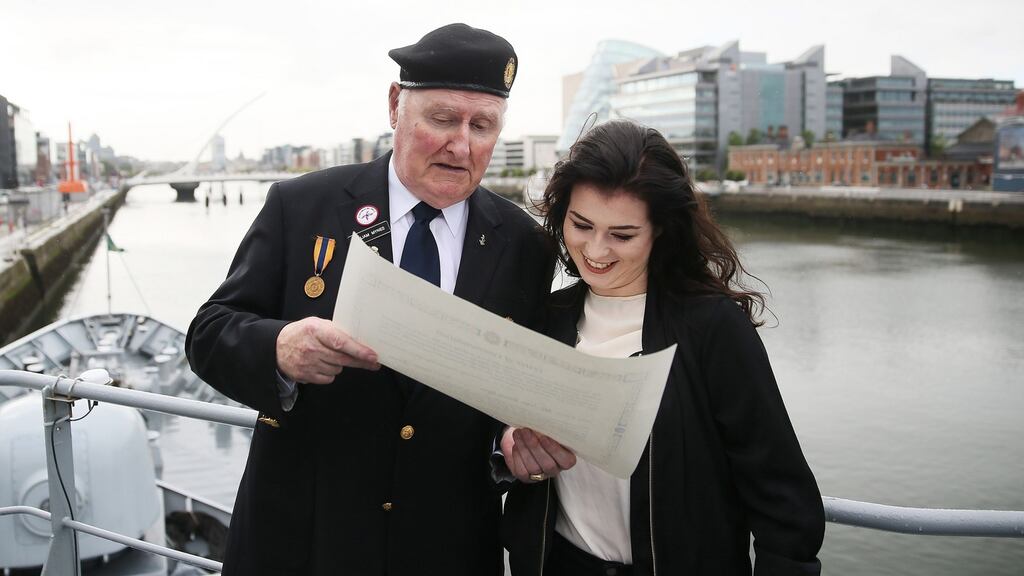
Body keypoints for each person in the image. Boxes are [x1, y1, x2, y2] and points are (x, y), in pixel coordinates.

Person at [186, 23, 554, 576]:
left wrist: (511, 443)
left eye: (483, 125)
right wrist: (280, 349)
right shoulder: (301, 205)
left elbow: (511, 396)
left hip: (444, 549)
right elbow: (209, 333)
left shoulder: (524, 243)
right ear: (394, 106)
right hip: (305, 542)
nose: (463, 145)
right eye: (442, 119)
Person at [501, 120, 825, 575]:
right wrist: (509, 444)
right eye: (582, 224)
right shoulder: (546, 317)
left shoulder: (713, 327)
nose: (595, 249)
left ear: (662, 231)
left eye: (623, 234)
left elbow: (780, 493)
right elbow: (494, 430)